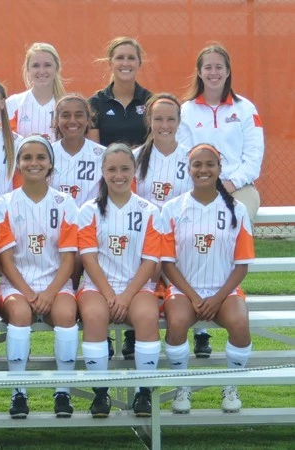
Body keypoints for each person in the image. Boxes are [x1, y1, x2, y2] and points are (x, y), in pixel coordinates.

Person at [161, 143, 254, 414]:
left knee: (239, 322)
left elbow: (241, 265)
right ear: (188, 170)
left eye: (209, 164)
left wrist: (217, 298)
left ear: (219, 169)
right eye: (197, 165)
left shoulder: (237, 210)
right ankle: (182, 386)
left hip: (224, 289)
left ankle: (231, 385)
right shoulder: (172, 209)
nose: (203, 170)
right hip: (183, 289)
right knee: (176, 322)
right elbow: (167, 264)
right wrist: (194, 296)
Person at [0, 136, 80, 419]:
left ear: (51, 164)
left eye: (41, 157)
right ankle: (19, 392)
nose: (34, 163)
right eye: (27, 157)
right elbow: (5, 260)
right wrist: (30, 294)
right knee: (19, 314)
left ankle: (63, 391)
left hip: (56, 284)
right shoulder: (4, 204)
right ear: (17, 164)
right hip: (17, 284)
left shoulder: (66, 203)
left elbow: (69, 258)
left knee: (66, 314)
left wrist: (50, 293)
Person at [77, 143, 163, 418]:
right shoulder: (88, 211)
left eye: (125, 168)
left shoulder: (150, 210)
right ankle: (101, 393)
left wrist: (125, 296)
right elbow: (89, 259)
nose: (118, 175)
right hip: (97, 285)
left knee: (148, 317)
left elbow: (150, 261)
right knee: (93, 316)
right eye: (111, 169)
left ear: (135, 171)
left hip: (136, 286)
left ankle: (143, 393)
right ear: (102, 172)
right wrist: (110, 294)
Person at [121, 94, 201, 360]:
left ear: (179, 122)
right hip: (142, 242)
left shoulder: (191, 159)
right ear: (149, 121)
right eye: (158, 119)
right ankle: (134, 332)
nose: (164, 124)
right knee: (145, 276)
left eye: (170, 119)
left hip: (180, 240)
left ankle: (200, 333)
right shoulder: (134, 158)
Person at [177, 43, 263, 222]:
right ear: (200, 73)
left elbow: (254, 157)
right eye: (208, 67)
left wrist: (231, 183)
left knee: (234, 222)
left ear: (228, 71)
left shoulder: (246, 109)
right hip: (197, 186)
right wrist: (205, 185)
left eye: (219, 67)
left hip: (240, 188)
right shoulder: (186, 111)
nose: (213, 72)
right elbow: (183, 156)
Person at [87, 37, 152, 147]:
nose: (125, 63)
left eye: (131, 58)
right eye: (120, 58)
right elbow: (95, 152)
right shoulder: (95, 103)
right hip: (107, 164)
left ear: (139, 63)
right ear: (110, 63)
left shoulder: (151, 101)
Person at [50, 94, 107, 208]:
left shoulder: (103, 155)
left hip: (90, 223)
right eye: (65, 115)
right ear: (56, 120)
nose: (72, 121)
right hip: (55, 223)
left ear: (88, 120)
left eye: (79, 115)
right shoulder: (47, 153)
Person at [6, 43, 66, 141]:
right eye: (36, 66)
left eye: (47, 65)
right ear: (28, 69)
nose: (42, 71)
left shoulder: (66, 106)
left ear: (57, 68)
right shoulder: (13, 103)